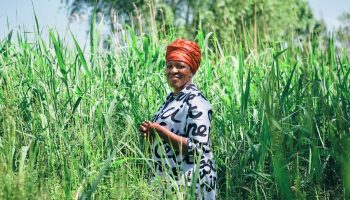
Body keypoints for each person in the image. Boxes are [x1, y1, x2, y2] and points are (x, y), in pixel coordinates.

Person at [139, 39, 216, 199]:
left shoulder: (196, 102)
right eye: (169, 65)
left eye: (180, 66)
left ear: (191, 71)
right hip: (169, 183)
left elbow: (198, 149)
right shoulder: (171, 99)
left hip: (190, 184)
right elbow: (169, 136)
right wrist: (151, 134)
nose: (173, 70)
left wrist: (161, 132)